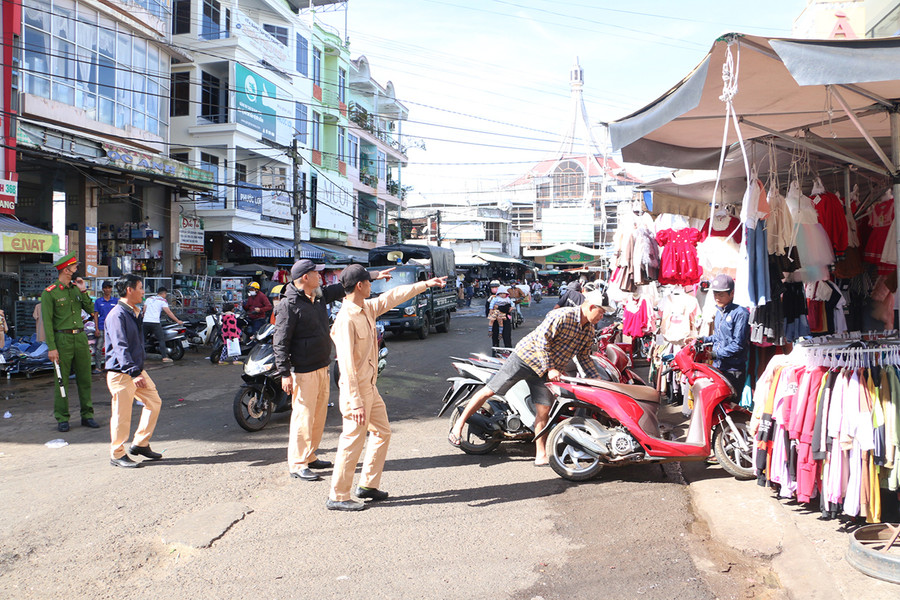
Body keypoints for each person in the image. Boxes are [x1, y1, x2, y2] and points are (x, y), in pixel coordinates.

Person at [327, 264, 447, 511]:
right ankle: (338, 496)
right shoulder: (346, 319)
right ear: (359, 286)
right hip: (356, 391)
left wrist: (425, 284)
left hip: (371, 386)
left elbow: (393, 296)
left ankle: (368, 485)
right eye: (369, 282)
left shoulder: (366, 308)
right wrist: (356, 400)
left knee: (382, 431)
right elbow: (347, 366)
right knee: (352, 441)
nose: (373, 286)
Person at [449, 290, 607, 465]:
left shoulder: (589, 330)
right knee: (489, 391)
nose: (602, 316)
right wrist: (551, 368)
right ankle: (458, 427)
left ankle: (541, 454)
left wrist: (597, 381)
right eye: (601, 312)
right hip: (525, 359)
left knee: (544, 411)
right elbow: (542, 341)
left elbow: (584, 357)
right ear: (591, 307)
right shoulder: (562, 315)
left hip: (544, 372)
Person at [274, 259, 395, 482]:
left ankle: (310, 456)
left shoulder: (318, 295)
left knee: (318, 415)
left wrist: (374, 275)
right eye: (316, 273)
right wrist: (284, 373)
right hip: (303, 370)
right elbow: (280, 340)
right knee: (303, 417)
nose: (320, 276)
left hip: (322, 365)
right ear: (304, 278)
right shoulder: (288, 304)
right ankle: (298, 463)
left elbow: (344, 287)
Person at [104, 274, 164, 468]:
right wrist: (134, 372)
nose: (143, 292)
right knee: (122, 415)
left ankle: (140, 443)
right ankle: (117, 453)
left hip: (135, 370)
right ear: (129, 290)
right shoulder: (117, 315)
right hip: (122, 373)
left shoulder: (133, 312)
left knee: (154, 401)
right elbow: (120, 347)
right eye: (140, 287)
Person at [41, 252, 99, 433]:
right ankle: (62, 417)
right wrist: (52, 348)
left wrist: (83, 291)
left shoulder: (76, 289)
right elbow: (47, 323)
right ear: (67, 270)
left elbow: (91, 310)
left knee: (85, 378)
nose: (76, 270)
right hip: (62, 339)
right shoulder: (50, 293)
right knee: (61, 381)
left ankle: (87, 415)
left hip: (80, 337)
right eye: (74, 267)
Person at [699, 274, 750, 389]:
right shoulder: (719, 312)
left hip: (733, 370)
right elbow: (719, 336)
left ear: (731, 293)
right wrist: (702, 340)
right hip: (718, 367)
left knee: (729, 404)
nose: (717, 298)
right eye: (715, 294)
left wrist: (715, 354)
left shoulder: (741, 313)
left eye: (721, 294)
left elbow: (738, 345)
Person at [142, 287, 183, 363]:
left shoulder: (149, 299)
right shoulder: (163, 301)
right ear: (164, 293)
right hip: (155, 322)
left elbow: (144, 310)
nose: (165, 296)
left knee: (142, 339)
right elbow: (168, 312)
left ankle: (140, 356)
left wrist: (144, 316)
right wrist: (177, 321)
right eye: (165, 294)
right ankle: (164, 357)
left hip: (145, 321)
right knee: (161, 339)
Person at [93, 281, 117, 371]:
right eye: (105, 288)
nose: (107, 290)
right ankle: (98, 367)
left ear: (111, 289)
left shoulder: (115, 301)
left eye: (109, 287)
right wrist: (96, 328)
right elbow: (95, 315)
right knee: (99, 347)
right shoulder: (98, 301)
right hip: (102, 327)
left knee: (113, 347)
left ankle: (112, 366)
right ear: (103, 289)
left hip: (113, 328)